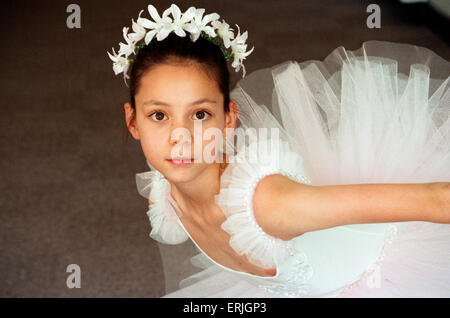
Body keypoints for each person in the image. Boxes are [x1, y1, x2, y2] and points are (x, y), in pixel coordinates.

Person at [108, 3, 450, 297]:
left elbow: (438, 199)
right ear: (132, 121)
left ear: (228, 119)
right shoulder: (163, 193)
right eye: (159, 115)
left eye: (200, 114)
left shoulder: (269, 205)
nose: (179, 137)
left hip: (380, 273)